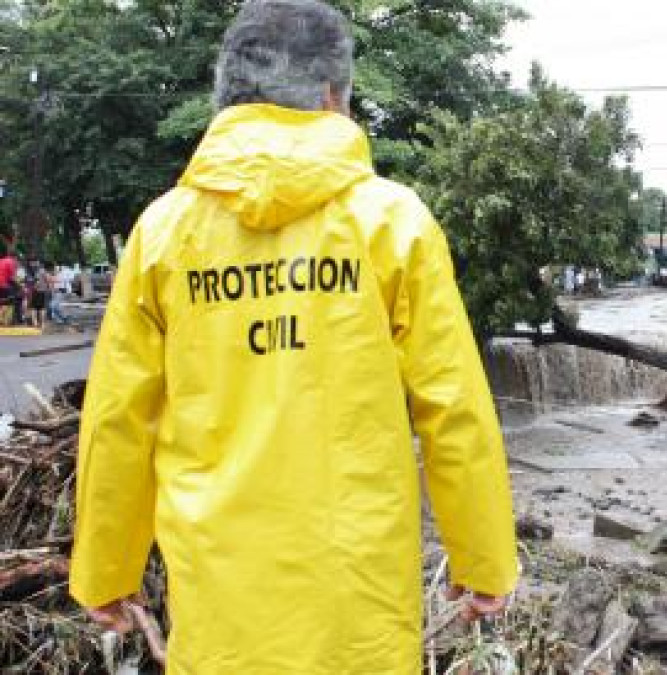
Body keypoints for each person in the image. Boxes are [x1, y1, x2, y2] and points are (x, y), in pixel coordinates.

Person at [68, 2, 518, 673]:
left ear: (228, 96)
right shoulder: (391, 221)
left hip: (221, 594)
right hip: (355, 595)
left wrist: (106, 567)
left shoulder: (162, 233)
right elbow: (450, 405)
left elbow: (119, 419)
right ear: (333, 95)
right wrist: (482, 555)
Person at [0, 243, 16, 325]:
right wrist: (19, 285)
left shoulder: (1, 260)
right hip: (4, 284)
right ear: (14, 257)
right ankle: (5, 321)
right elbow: (12, 277)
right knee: (9, 302)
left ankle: (3, 320)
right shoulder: (11, 262)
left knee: (2, 302)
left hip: (1, 284)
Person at [31, 261, 49, 328]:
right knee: (42, 308)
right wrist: (47, 287)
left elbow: (37, 281)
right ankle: (43, 324)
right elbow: (46, 280)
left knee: (34, 308)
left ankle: (35, 323)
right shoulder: (43, 271)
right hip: (42, 291)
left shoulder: (35, 271)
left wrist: (34, 287)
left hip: (36, 291)